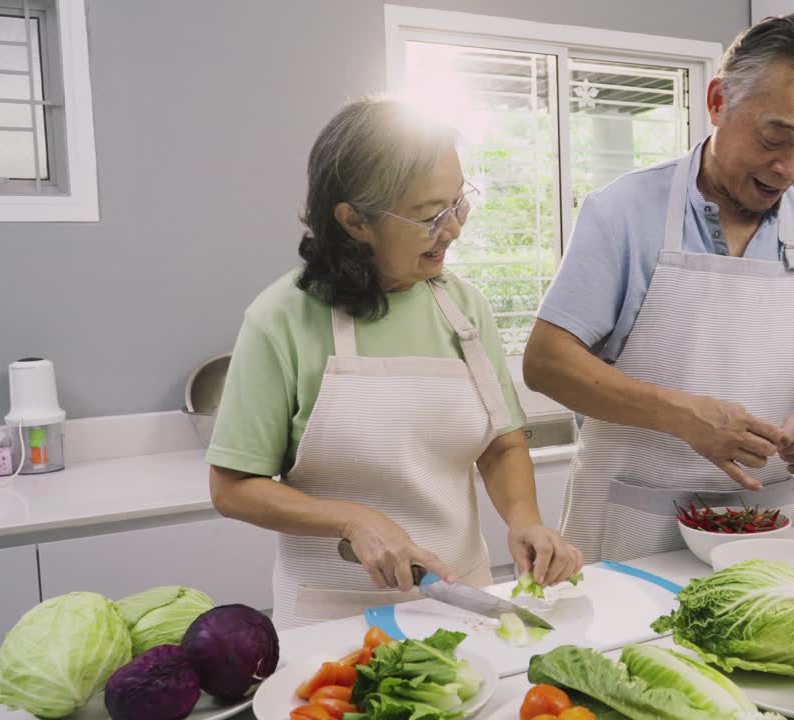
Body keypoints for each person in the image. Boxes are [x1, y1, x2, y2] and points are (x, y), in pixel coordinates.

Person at [207, 97, 582, 629]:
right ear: (354, 220)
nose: (454, 229)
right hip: (332, 614)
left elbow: (503, 442)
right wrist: (352, 519)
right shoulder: (281, 318)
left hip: (463, 598)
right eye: (431, 215)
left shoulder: (463, 307)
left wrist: (525, 520)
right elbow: (232, 486)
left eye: (459, 203)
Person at [522, 14, 794, 562]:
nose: (788, 167)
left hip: (769, 536)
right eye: (774, 137)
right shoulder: (621, 215)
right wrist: (684, 416)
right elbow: (545, 363)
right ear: (717, 102)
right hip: (626, 532)